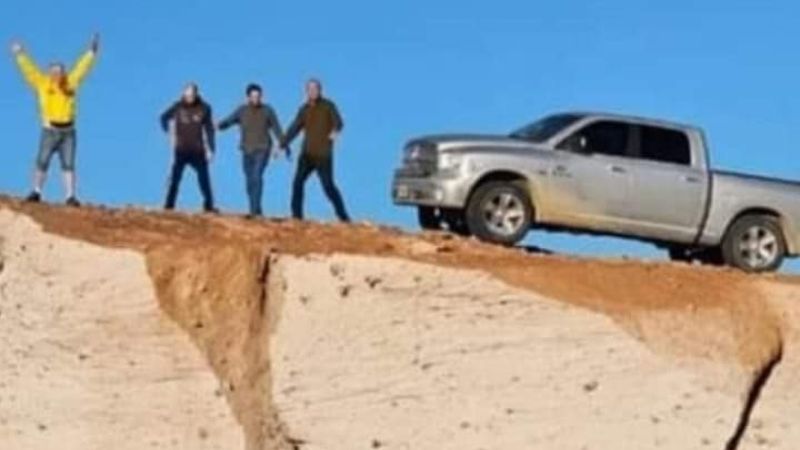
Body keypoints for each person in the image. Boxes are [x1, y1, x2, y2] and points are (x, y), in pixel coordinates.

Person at [11, 34, 100, 207]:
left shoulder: (71, 83)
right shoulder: (42, 84)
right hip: (49, 130)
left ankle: (70, 196)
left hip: (68, 131)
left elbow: (82, 68)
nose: (57, 74)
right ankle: (36, 191)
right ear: (49, 73)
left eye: (60, 71)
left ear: (64, 73)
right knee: (42, 161)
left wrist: (91, 52)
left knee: (68, 164)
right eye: (54, 71)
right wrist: (20, 54)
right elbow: (29, 70)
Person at [282, 79, 351, 222]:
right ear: (306, 92)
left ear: (320, 90)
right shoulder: (304, 109)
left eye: (315, 89)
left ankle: (343, 216)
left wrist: (335, 132)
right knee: (297, 182)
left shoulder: (328, 106)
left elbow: (338, 122)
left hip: (323, 154)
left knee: (328, 186)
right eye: (310, 89)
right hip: (307, 154)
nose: (313, 92)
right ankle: (297, 216)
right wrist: (282, 144)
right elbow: (294, 128)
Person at [218, 84, 286, 218]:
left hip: (263, 148)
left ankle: (254, 212)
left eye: (258, 96)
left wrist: (283, 145)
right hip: (246, 150)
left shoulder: (267, 110)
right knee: (249, 181)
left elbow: (277, 128)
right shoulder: (242, 110)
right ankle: (255, 208)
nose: (256, 99)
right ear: (248, 97)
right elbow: (229, 121)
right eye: (253, 96)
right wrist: (218, 126)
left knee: (257, 176)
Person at [159, 83, 217, 213]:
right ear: (184, 94)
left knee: (204, 179)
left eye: (192, 95)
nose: (189, 97)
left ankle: (208, 206)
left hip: (198, 150)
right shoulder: (177, 107)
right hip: (181, 150)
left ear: (196, 94)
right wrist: (166, 128)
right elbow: (163, 117)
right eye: (187, 95)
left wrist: (211, 149)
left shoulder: (205, 108)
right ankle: (169, 205)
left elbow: (209, 130)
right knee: (175, 178)